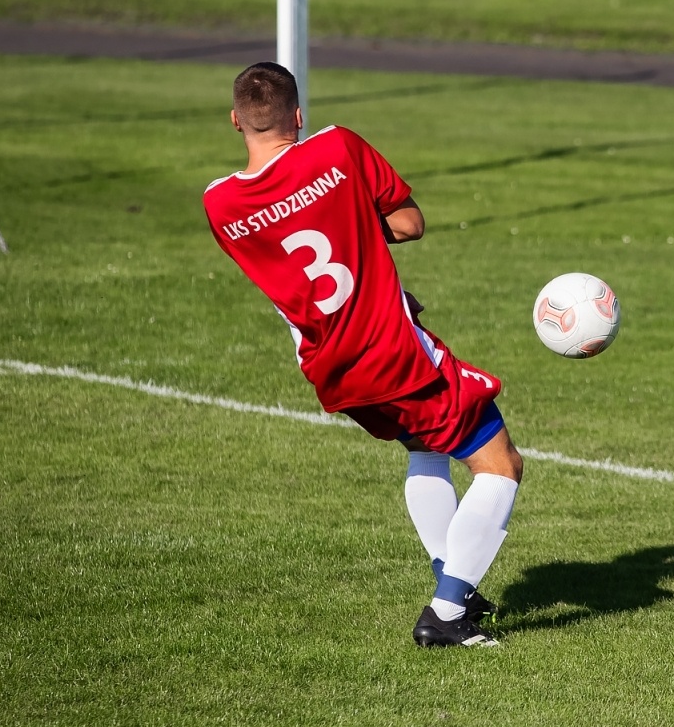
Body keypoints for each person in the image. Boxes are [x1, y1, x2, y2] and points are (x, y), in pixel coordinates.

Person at [203, 61, 522, 649]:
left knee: (428, 448)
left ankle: (456, 580)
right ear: (298, 116)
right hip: (393, 350)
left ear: (235, 121)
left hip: (335, 369)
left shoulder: (220, 205)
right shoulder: (337, 147)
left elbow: (298, 243)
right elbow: (407, 223)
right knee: (500, 464)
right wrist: (353, 219)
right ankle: (447, 615)